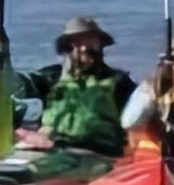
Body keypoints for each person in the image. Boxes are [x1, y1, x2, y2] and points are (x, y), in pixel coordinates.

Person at [17, 16, 136, 156]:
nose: (85, 47)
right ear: (68, 47)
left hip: (98, 154)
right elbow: (18, 85)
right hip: (50, 150)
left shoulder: (119, 82)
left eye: (91, 41)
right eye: (79, 43)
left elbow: (140, 116)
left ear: (100, 45)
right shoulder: (51, 77)